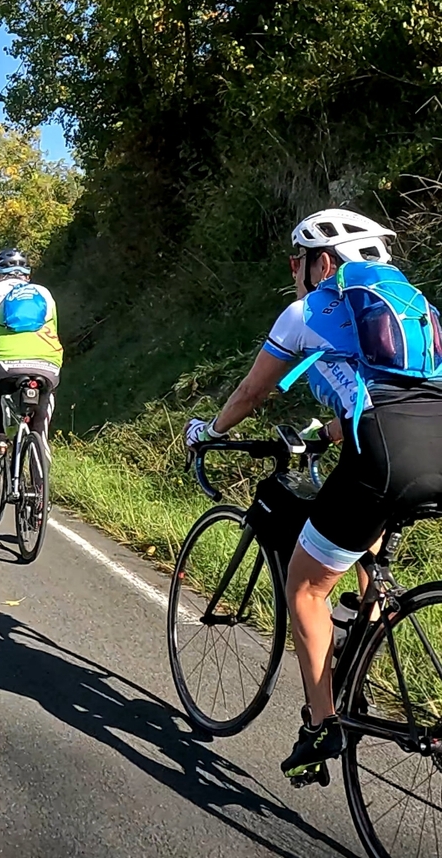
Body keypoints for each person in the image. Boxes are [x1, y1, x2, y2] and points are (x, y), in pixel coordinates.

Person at [184, 208, 442, 784]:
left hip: (384, 452)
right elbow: (395, 394)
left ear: (323, 263)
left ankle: (322, 725)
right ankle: (363, 646)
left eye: (298, 260)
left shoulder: (307, 312)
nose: (295, 271)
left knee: (306, 585)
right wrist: (326, 432)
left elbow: (253, 392)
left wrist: (209, 432)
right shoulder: (419, 313)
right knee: (367, 551)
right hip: (436, 445)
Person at [0, 248, 63, 464]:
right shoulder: (44, 293)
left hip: (5, 365)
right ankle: (40, 448)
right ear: (27, 274)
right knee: (46, 396)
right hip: (48, 364)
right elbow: (54, 329)